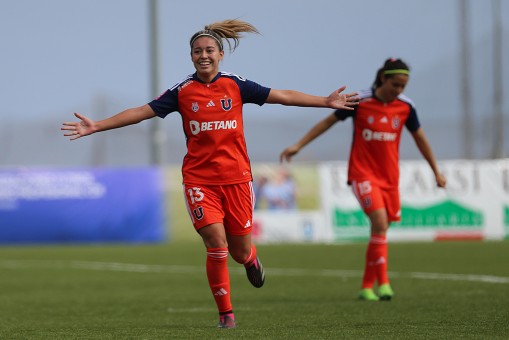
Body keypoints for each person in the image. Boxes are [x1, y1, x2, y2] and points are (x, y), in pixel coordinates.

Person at [61, 19, 358, 328]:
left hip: (238, 180)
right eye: (197, 51)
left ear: (220, 55)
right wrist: (97, 125)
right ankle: (226, 315)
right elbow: (141, 112)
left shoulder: (236, 85)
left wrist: (324, 101)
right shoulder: (182, 91)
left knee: (239, 251)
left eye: (209, 50)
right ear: (191, 57)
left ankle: (250, 258)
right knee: (216, 243)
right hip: (199, 181)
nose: (203, 55)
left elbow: (281, 95)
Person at [280, 58, 446, 302]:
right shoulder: (361, 101)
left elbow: (420, 139)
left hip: (389, 178)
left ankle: (367, 286)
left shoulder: (406, 107)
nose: (398, 90)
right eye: (395, 85)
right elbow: (328, 122)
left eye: (402, 86)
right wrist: (298, 145)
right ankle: (385, 284)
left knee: (380, 230)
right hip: (362, 173)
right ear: (383, 79)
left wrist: (436, 172)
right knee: (379, 223)